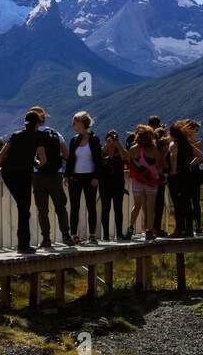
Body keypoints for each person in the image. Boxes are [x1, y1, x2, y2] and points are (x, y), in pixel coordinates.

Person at [0, 110, 46, 253]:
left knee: (22, 207)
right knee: (24, 208)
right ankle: (23, 245)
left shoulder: (15, 135)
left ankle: (23, 244)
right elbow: (43, 159)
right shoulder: (38, 137)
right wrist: (36, 163)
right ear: (37, 123)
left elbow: (1, 154)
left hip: (8, 173)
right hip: (24, 175)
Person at [29, 105, 72, 248]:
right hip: (55, 175)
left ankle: (46, 239)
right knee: (61, 207)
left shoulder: (31, 134)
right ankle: (66, 236)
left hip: (38, 176)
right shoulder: (55, 134)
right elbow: (66, 155)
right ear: (44, 118)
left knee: (42, 209)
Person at [66, 111, 103, 245]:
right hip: (75, 177)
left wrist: (96, 176)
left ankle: (92, 235)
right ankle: (74, 234)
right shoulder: (74, 140)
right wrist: (67, 175)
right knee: (74, 206)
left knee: (91, 205)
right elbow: (71, 160)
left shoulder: (94, 139)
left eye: (75, 122)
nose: (73, 125)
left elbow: (99, 160)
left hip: (90, 177)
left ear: (82, 123)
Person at [167, 119, 203, 237]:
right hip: (188, 176)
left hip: (177, 177)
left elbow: (173, 157)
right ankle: (189, 229)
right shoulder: (187, 143)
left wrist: (173, 170)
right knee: (187, 203)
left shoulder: (174, 144)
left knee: (177, 204)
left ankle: (179, 229)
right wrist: (190, 165)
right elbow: (200, 156)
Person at [126, 124, 164, 241]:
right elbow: (159, 165)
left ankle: (131, 228)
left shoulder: (133, 149)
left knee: (137, 206)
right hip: (151, 181)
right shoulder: (154, 150)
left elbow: (130, 163)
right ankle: (149, 231)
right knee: (150, 207)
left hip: (137, 180)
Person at [100, 129, 131, 241]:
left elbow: (126, 157)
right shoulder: (103, 150)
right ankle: (106, 235)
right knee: (105, 209)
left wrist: (118, 144)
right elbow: (98, 158)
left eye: (114, 138)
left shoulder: (120, 151)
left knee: (118, 209)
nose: (112, 140)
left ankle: (119, 233)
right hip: (105, 184)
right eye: (110, 138)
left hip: (118, 184)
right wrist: (106, 146)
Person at [150, 117, 169, 236]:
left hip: (150, 176)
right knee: (158, 203)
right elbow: (164, 162)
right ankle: (156, 228)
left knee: (151, 204)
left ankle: (150, 228)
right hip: (160, 175)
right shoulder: (161, 146)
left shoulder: (149, 144)